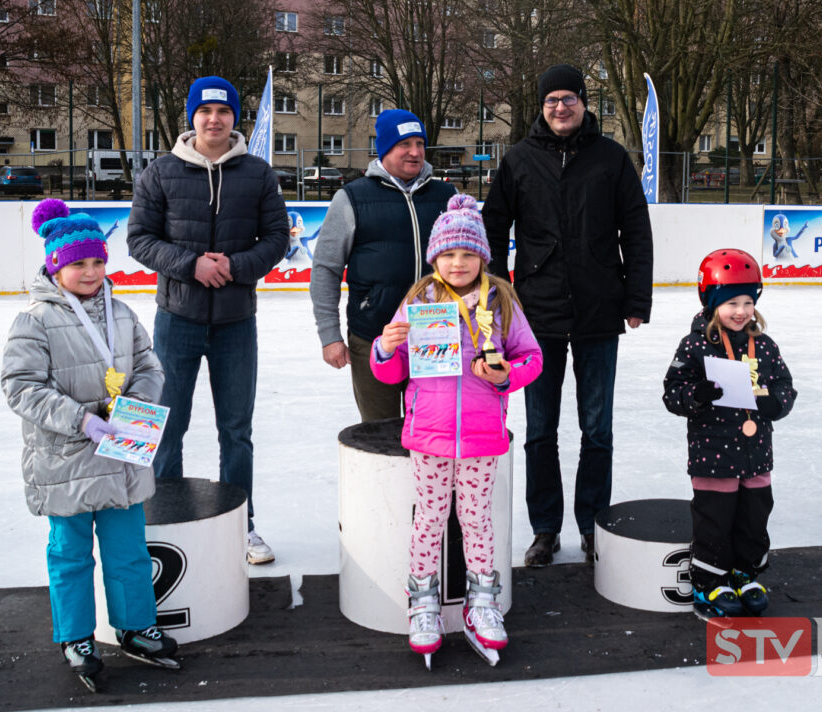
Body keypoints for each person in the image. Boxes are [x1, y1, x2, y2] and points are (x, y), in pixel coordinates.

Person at [1, 199, 178, 689]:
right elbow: (21, 387)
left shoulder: (121, 313)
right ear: (56, 264)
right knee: (71, 553)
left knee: (129, 552)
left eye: (98, 260)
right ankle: (76, 636)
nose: (91, 271)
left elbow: (150, 366)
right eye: (79, 262)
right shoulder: (34, 320)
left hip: (121, 458)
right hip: (67, 463)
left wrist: (135, 406)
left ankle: (136, 626)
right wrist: (81, 419)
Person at [482, 63, 654, 567]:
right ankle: (544, 529)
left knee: (597, 429)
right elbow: (493, 227)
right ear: (542, 106)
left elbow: (636, 232)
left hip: (600, 311)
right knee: (540, 429)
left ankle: (593, 524)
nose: (561, 107)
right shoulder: (518, 160)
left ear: (584, 102)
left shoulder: (611, 159)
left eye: (570, 98)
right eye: (552, 99)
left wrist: (636, 299)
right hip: (535, 317)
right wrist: (500, 292)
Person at [369, 194, 543, 664]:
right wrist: (385, 349)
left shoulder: (501, 300)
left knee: (476, 518)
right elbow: (390, 372)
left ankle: (482, 599)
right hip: (429, 433)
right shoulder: (420, 300)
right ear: (434, 258)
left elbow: (532, 358)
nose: (458, 262)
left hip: (483, 435)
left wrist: (506, 374)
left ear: (483, 256)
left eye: (468, 254)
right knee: (428, 517)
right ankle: (422, 601)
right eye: (448, 254)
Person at [127, 75, 289, 565]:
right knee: (166, 425)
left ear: (233, 118)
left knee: (236, 429)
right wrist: (191, 264)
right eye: (205, 112)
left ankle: (242, 525)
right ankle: (166, 519)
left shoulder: (258, 174)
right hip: (177, 319)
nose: (213, 120)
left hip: (237, 322)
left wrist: (235, 268)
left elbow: (277, 237)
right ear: (192, 117)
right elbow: (140, 239)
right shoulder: (161, 172)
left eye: (223, 112)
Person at [662, 249, 796, 620]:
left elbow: (785, 386)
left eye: (748, 302)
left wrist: (776, 404)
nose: (740, 311)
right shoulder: (695, 345)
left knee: (754, 517)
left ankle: (744, 574)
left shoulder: (765, 346)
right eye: (731, 303)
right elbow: (672, 393)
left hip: (755, 454)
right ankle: (710, 581)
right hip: (713, 454)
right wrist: (696, 395)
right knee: (715, 520)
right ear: (712, 303)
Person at [311, 109, 457, 422]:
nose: (416, 152)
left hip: (437, 339)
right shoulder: (352, 198)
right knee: (380, 435)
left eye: (420, 143)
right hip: (373, 336)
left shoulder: (447, 196)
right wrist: (330, 336)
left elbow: (472, 264)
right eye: (405, 144)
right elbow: (326, 268)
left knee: (435, 430)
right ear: (385, 148)